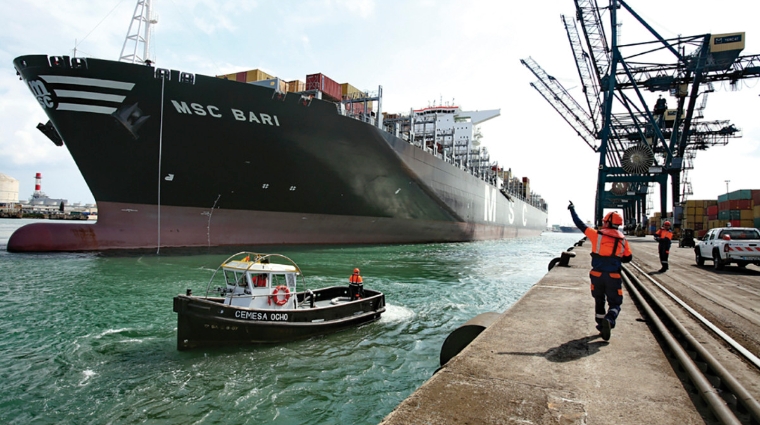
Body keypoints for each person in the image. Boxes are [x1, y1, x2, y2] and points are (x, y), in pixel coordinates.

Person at [568, 201, 633, 341]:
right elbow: (628, 258)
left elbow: (580, 224)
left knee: (599, 300)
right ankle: (609, 320)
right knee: (615, 303)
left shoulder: (596, 235)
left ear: (607, 222)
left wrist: (572, 209)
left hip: (596, 276)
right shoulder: (623, 240)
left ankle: (601, 326)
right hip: (613, 277)